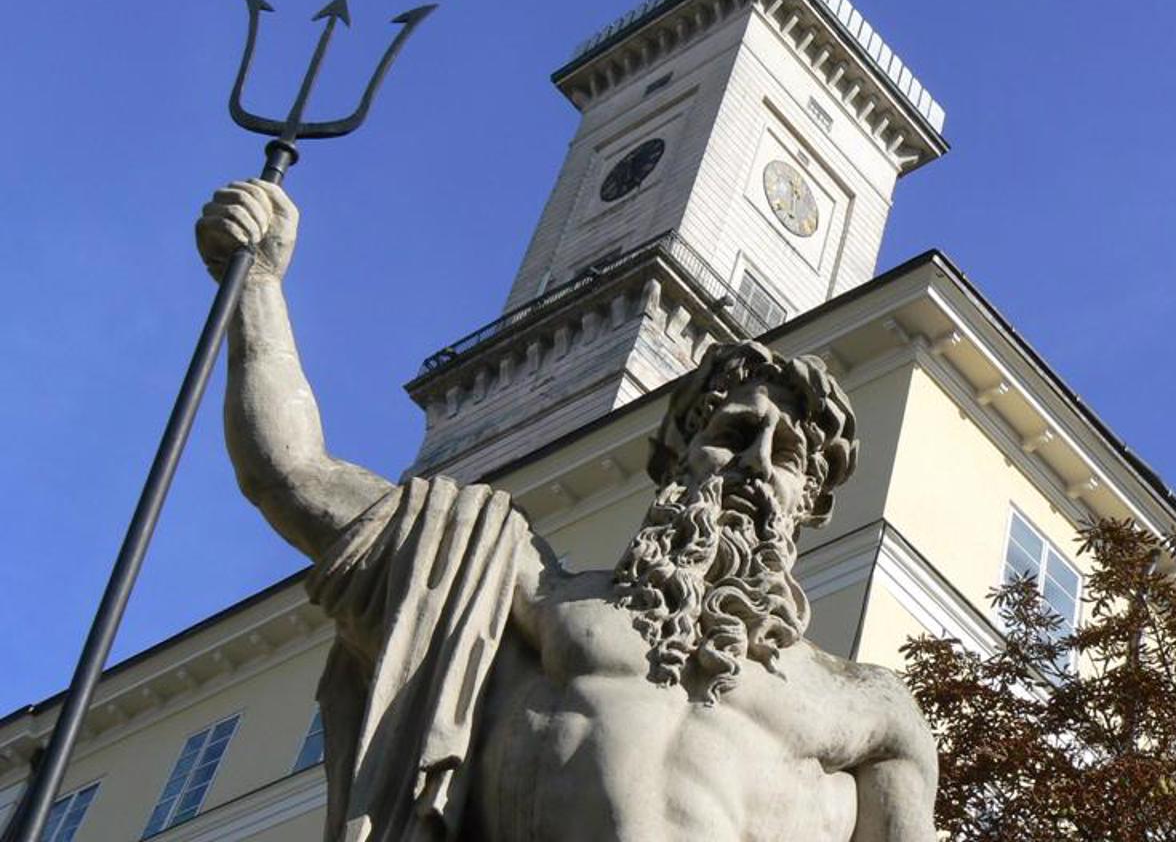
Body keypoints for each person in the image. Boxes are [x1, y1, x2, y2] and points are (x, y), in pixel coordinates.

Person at [196, 179, 938, 842]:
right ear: (678, 458)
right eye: (734, 434)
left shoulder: (869, 714)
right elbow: (290, 477)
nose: (752, 464)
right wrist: (257, 283)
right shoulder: (524, 593)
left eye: (784, 459)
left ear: (806, 503)